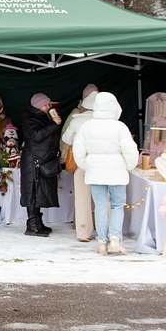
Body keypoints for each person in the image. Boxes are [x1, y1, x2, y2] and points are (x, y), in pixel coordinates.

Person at [72, 91, 139, 256]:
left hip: (95, 172)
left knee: (100, 207)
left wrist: (86, 166)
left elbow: (78, 150)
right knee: (116, 206)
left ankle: (102, 242)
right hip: (117, 172)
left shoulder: (86, 126)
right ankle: (115, 239)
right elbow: (130, 150)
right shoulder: (119, 127)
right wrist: (129, 166)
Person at [59, 84, 99, 242]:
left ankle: (83, 231)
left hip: (82, 164)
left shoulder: (77, 119)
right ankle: (107, 232)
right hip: (101, 165)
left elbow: (65, 138)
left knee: (82, 199)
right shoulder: (111, 121)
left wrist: (64, 154)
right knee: (103, 199)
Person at [19, 92, 62, 237]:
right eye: (46, 105)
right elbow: (36, 135)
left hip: (41, 159)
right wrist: (52, 124)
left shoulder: (41, 117)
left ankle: (38, 222)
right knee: (32, 192)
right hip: (33, 161)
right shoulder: (30, 119)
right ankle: (32, 225)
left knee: (38, 193)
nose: (48, 107)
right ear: (38, 106)